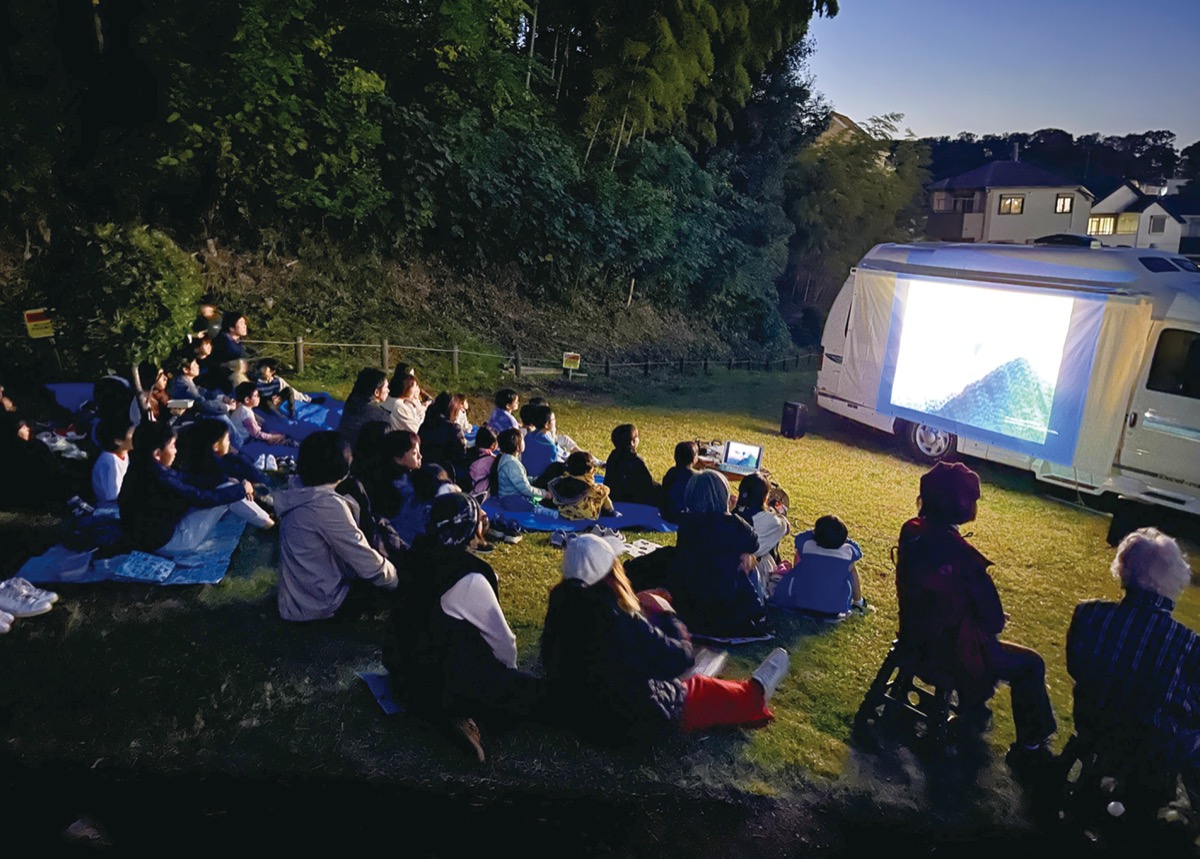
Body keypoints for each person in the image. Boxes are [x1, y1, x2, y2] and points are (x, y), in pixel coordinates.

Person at [540, 534, 790, 745]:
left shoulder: (564, 603)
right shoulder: (618, 620)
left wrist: (637, 607)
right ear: (611, 572)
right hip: (626, 722)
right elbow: (680, 658)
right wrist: (668, 614)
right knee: (700, 688)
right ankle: (755, 691)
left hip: (575, 709)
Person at [894, 461, 1057, 776]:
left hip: (915, 637)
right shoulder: (963, 556)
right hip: (950, 652)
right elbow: (993, 620)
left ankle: (974, 708)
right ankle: (1031, 745)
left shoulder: (912, 532)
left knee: (971, 636)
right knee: (1030, 663)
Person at [384, 492, 544, 761]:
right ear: (468, 529)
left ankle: (444, 714)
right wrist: (509, 682)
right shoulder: (468, 576)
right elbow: (505, 645)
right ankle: (457, 714)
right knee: (536, 696)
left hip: (401, 674)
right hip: (438, 681)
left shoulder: (415, 556)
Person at [1066, 528, 1200, 790]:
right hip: (1153, 744)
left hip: (1093, 722)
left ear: (1123, 570)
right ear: (1175, 579)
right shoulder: (1189, 643)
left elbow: (1075, 667)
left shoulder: (1088, 614)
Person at [274, 431, 398, 621]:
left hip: (298, 594)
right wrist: (395, 579)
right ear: (342, 466)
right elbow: (363, 559)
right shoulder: (326, 506)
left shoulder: (298, 488)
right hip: (320, 603)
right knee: (399, 597)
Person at [118, 422, 273, 555]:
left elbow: (185, 479)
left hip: (146, 539)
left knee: (227, 486)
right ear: (157, 454)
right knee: (229, 491)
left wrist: (223, 479)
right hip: (168, 543)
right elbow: (201, 498)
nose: (176, 451)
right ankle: (270, 525)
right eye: (172, 446)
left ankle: (266, 519)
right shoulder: (159, 477)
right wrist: (240, 489)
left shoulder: (142, 467)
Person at [667, 470, 769, 641]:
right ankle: (759, 608)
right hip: (725, 609)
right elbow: (754, 544)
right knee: (750, 560)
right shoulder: (735, 525)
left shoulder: (687, 523)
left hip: (689, 606)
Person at [773, 515, 870, 618]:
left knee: (800, 558)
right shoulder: (848, 552)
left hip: (801, 604)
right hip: (834, 610)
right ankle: (858, 601)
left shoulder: (807, 545)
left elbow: (799, 538)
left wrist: (814, 533)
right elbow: (858, 550)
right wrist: (842, 538)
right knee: (851, 570)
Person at [733, 472, 791, 601]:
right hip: (750, 570)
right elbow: (785, 526)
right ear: (764, 499)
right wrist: (774, 511)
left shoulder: (730, 511)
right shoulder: (771, 521)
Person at [547, 451, 615, 520]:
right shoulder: (589, 487)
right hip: (585, 514)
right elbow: (600, 491)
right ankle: (611, 512)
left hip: (565, 512)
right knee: (603, 493)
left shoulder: (563, 481)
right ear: (588, 470)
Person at [491, 428, 545, 512]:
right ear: (517, 446)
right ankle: (540, 509)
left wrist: (534, 480)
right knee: (534, 500)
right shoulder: (512, 464)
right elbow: (525, 489)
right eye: (522, 439)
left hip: (512, 495)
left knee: (536, 495)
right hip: (510, 499)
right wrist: (544, 494)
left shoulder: (507, 458)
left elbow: (520, 480)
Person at [605, 423, 660, 506]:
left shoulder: (613, 456)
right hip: (636, 500)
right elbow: (649, 485)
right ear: (633, 442)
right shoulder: (636, 460)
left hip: (614, 497)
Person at [418, 391, 467, 478]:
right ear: (453, 409)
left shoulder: (425, 424)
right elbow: (462, 454)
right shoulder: (454, 429)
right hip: (444, 474)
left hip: (423, 469)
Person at [338, 368, 391, 446]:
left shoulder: (351, 402)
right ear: (376, 392)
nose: (388, 390)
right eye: (386, 387)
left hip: (341, 446)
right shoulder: (381, 417)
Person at [232, 382, 294, 446]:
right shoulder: (247, 415)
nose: (259, 398)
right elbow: (257, 434)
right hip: (244, 440)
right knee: (277, 438)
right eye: (256, 396)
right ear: (247, 400)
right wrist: (274, 436)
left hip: (238, 436)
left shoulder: (241, 407)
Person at [91, 418, 134, 506]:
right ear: (118, 441)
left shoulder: (123, 453)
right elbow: (113, 496)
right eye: (132, 434)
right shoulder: (109, 462)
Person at [521, 405, 567, 487]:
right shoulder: (549, 446)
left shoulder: (528, 436)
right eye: (553, 419)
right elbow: (553, 468)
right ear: (546, 424)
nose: (555, 421)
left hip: (525, 476)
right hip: (540, 481)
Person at [660, 441, 700, 523]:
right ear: (694, 459)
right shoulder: (695, 478)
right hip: (685, 517)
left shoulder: (671, 472)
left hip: (666, 514)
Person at [382, 368, 426, 435]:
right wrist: (420, 409)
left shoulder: (393, 400)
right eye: (415, 386)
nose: (417, 389)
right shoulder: (399, 406)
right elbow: (416, 429)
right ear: (407, 389)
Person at [461, 425, 498, 497]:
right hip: (478, 493)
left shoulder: (469, 452)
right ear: (493, 446)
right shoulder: (491, 460)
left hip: (466, 488)